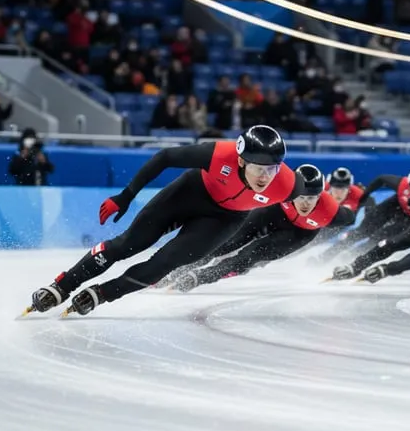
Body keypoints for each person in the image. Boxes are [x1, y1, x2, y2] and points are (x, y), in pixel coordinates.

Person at [25, 126, 304, 317]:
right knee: (126, 245)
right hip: (190, 193)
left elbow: (306, 211)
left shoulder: (290, 185)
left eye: (272, 169)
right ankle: (62, 285)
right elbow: (165, 157)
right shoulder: (219, 154)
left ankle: (103, 293)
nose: (266, 177)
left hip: (224, 219)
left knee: (164, 263)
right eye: (259, 168)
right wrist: (125, 196)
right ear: (242, 161)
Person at [165, 165, 354, 292]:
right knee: (226, 242)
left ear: (320, 196)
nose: (305, 204)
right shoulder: (280, 186)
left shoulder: (332, 212)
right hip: (275, 213)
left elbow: (351, 218)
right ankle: (175, 269)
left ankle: (201, 277)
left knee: (250, 255)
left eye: (311, 198)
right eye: (301, 197)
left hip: (299, 233)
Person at [327, 167, 410, 264]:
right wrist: (366, 195)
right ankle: (328, 254)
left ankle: (355, 254)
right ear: (409, 183)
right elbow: (381, 179)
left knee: (380, 237)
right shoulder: (402, 184)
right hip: (396, 205)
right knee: (363, 230)